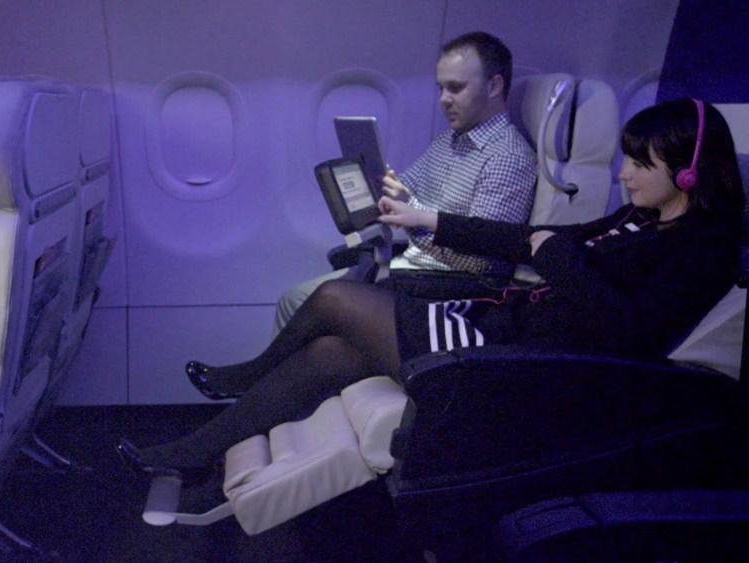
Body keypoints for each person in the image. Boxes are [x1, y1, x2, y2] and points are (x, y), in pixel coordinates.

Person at [119, 97, 744, 479]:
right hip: (503, 332)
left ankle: (244, 378)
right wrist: (430, 220)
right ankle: (196, 451)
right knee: (330, 351)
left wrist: (555, 256)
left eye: (640, 163)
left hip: (525, 371)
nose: (625, 174)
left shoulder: (702, 248)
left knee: (335, 299)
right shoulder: (640, 218)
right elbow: (530, 239)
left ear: (688, 170)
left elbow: (631, 335)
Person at [265, 31, 538, 339]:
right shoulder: (448, 142)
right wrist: (380, 188)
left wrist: (412, 214)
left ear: (494, 86)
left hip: (442, 289)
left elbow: (480, 260)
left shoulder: (508, 158)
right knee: (294, 302)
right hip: (409, 267)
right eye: (441, 88)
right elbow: (406, 188)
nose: (444, 99)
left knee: (305, 306)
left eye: (456, 88)